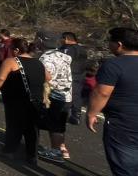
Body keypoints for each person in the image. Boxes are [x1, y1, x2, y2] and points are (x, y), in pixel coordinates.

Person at [87, 27, 138, 176]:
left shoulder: (113, 65)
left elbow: (102, 93)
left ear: (119, 44)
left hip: (124, 124)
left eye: (111, 41)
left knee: (124, 168)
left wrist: (91, 113)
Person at [0, 38, 48, 166]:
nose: (10, 51)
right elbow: (48, 77)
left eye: (11, 49)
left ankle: (9, 150)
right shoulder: (38, 62)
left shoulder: (11, 61)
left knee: (14, 125)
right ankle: (31, 155)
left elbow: (0, 77)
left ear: (17, 50)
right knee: (32, 128)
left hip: (16, 98)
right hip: (36, 99)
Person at [35, 30, 72, 163]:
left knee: (50, 124)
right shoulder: (65, 56)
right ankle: (60, 149)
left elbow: (47, 78)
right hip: (66, 94)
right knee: (59, 124)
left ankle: (55, 151)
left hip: (52, 95)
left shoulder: (46, 58)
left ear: (41, 41)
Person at [59, 32, 88, 125]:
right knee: (76, 94)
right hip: (80, 75)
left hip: (69, 75)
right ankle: (76, 115)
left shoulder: (67, 49)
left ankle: (64, 114)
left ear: (66, 38)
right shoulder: (82, 49)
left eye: (62, 39)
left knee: (66, 94)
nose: (60, 41)